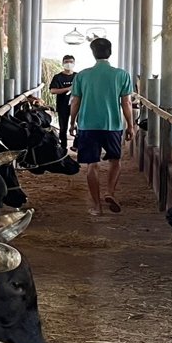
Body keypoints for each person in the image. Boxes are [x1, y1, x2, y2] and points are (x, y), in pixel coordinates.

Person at [69, 37, 136, 216]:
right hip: (112, 124)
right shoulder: (122, 75)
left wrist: (72, 122)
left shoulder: (82, 75)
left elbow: (75, 101)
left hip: (87, 125)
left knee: (92, 165)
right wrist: (130, 125)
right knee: (115, 161)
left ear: (93, 53)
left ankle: (97, 206)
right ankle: (110, 192)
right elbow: (127, 103)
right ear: (110, 52)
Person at [48, 55, 77, 152]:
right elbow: (52, 90)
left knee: (80, 125)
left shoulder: (78, 76)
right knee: (63, 127)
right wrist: (67, 89)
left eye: (71, 62)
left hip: (76, 105)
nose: (69, 64)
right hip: (62, 105)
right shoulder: (58, 77)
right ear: (63, 63)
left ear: (74, 63)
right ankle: (63, 147)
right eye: (66, 62)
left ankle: (76, 145)